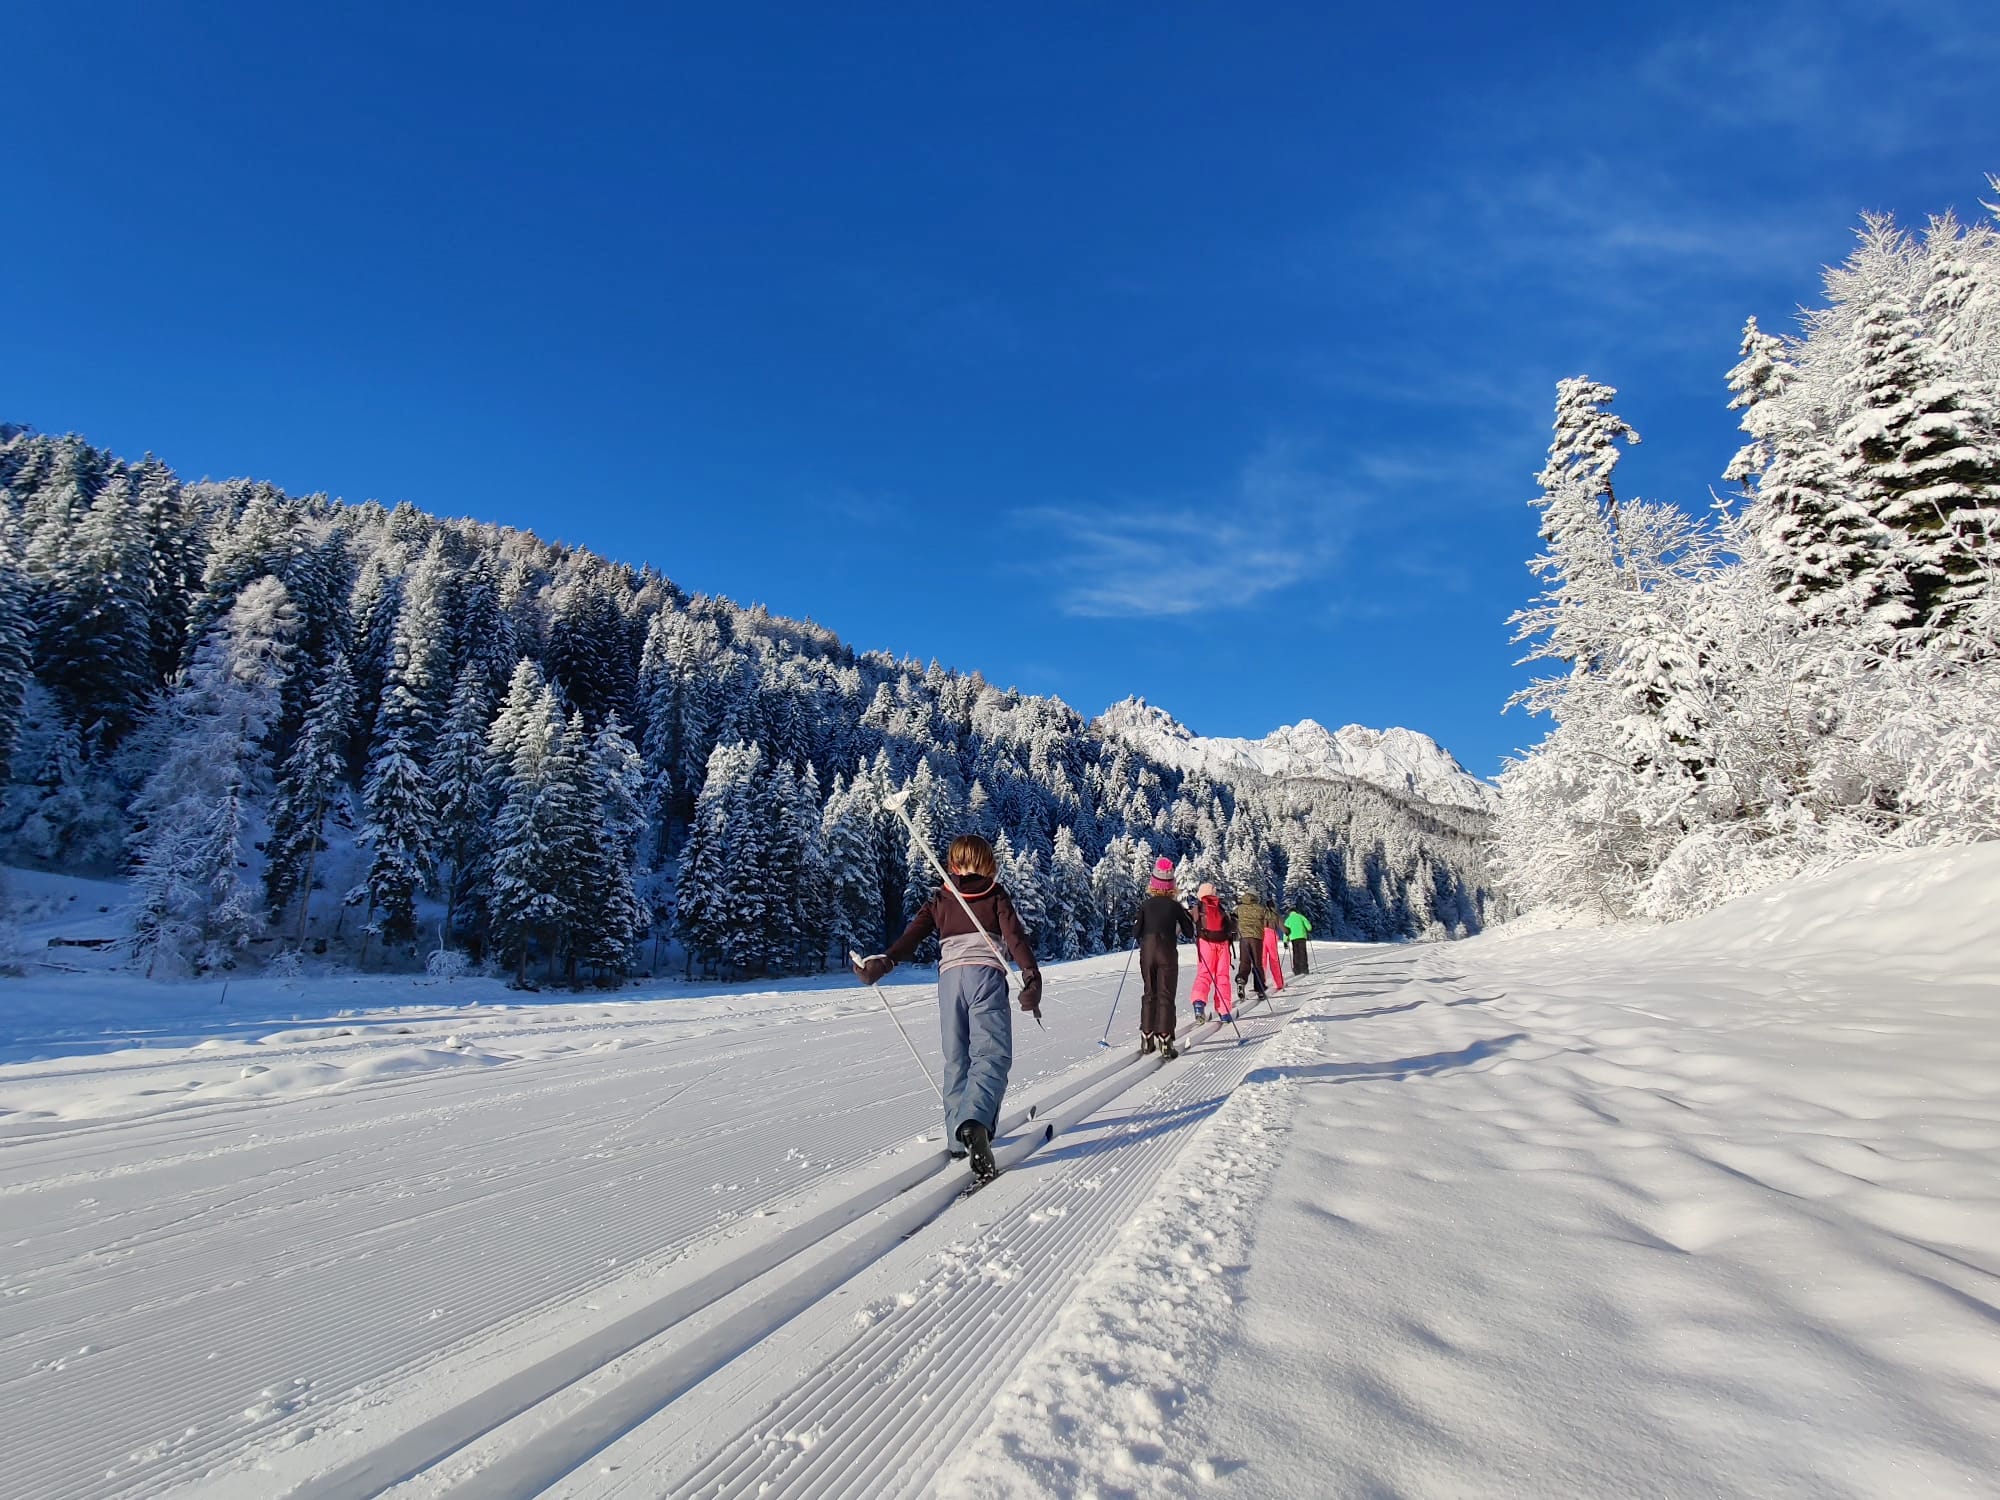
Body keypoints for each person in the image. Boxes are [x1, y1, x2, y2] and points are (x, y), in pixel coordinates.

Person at [852, 834, 1041, 1182]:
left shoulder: (940, 898)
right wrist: (1031, 977)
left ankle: (958, 1139)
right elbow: (1015, 937)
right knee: (991, 1054)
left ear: (952, 864)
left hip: (950, 981)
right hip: (985, 977)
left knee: (957, 1058)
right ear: (988, 865)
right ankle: (975, 1122)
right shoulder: (995, 894)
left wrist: (884, 962)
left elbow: (912, 936)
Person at [1133, 856, 1194, 1058]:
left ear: (1153, 883)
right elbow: (1189, 932)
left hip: (1148, 952)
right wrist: (1186, 917)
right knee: (1166, 994)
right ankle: (1165, 1040)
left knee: (1150, 992)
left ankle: (1146, 1037)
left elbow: (1135, 932)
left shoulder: (1146, 904)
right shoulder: (1174, 906)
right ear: (1171, 885)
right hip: (1167, 951)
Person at [1190, 881, 1235, 1023]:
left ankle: (1199, 1003)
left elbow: (1188, 923)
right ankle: (1224, 1011)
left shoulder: (1197, 908)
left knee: (1204, 974)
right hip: (1222, 945)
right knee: (1222, 976)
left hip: (1206, 943)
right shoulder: (1220, 907)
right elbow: (1231, 927)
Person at [1235, 888, 1274, 1006]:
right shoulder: (1260, 908)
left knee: (1244, 962)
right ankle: (1260, 989)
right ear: (1256, 897)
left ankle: (1241, 979)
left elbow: (1232, 917)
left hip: (1243, 938)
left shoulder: (1239, 908)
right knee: (1257, 964)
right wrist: (1271, 908)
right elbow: (1272, 918)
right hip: (1256, 938)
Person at [1261, 910, 1286, 994]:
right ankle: (1279, 983)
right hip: (1271, 934)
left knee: (1262, 961)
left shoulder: (1261, 913)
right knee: (1274, 959)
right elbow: (1281, 925)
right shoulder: (1275, 914)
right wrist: (1287, 931)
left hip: (1261, 935)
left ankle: (1261, 982)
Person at [1283, 906, 1312, 975]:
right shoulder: (1301, 917)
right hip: (1302, 937)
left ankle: (1297, 970)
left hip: (1293, 938)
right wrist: (1308, 930)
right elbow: (1309, 927)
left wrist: (1285, 941)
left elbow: (1285, 931)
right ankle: (1304, 969)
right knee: (1303, 953)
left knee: (1296, 953)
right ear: (1296, 911)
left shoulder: (1288, 920)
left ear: (1289, 913)